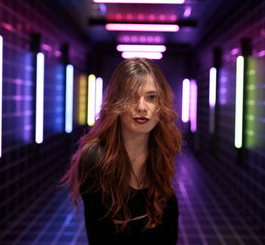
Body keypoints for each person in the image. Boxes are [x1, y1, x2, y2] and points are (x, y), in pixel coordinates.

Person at [61, 58, 182, 244]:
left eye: (151, 97)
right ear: (116, 103)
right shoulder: (96, 159)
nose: (142, 107)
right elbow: (102, 236)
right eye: (132, 97)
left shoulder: (161, 151)